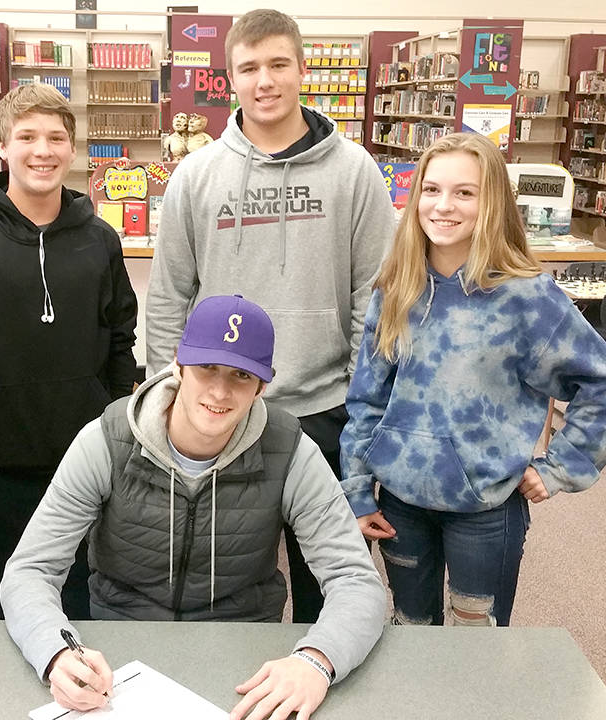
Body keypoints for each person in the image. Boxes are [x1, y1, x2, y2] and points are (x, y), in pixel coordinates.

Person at [1, 294, 387, 720]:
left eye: (241, 375)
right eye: (206, 367)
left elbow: (357, 581)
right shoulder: (106, 440)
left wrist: (316, 660)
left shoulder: (291, 451)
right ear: (178, 364)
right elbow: (29, 570)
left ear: (263, 386)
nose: (220, 391)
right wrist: (55, 653)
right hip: (118, 654)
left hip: (244, 658)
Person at [143, 8, 395, 624]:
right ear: (230, 79)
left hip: (327, 409)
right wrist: (166, 396)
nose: (264, 81)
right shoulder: (196, 175)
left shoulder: (355, 171)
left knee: (327, 589)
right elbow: (169, 295)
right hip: (222, 411)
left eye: (278, 64)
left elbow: (374, 297)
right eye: (249, 68)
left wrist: (364, 402)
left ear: (302, 70)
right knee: (222, 591)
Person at [340, 132, 606, 627]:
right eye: (431, 190)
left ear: (491, 202)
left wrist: (561, 467)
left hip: (487, 508)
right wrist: (358, 489)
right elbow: (367, 398)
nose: (443, 206)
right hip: (401, 502)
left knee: (478, 638)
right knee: (410, 628)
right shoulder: (396, 286)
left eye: (464, 193)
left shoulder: (526, 297)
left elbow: (602, 381)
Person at [0, 84, 138, 620]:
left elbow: (119, 339)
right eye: (27, 137)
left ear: (72, 148)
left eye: (56, 138)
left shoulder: (100, 240)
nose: (43, 150)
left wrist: (113, 430)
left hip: (81, 464)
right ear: (3, 147)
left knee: (76, 606)